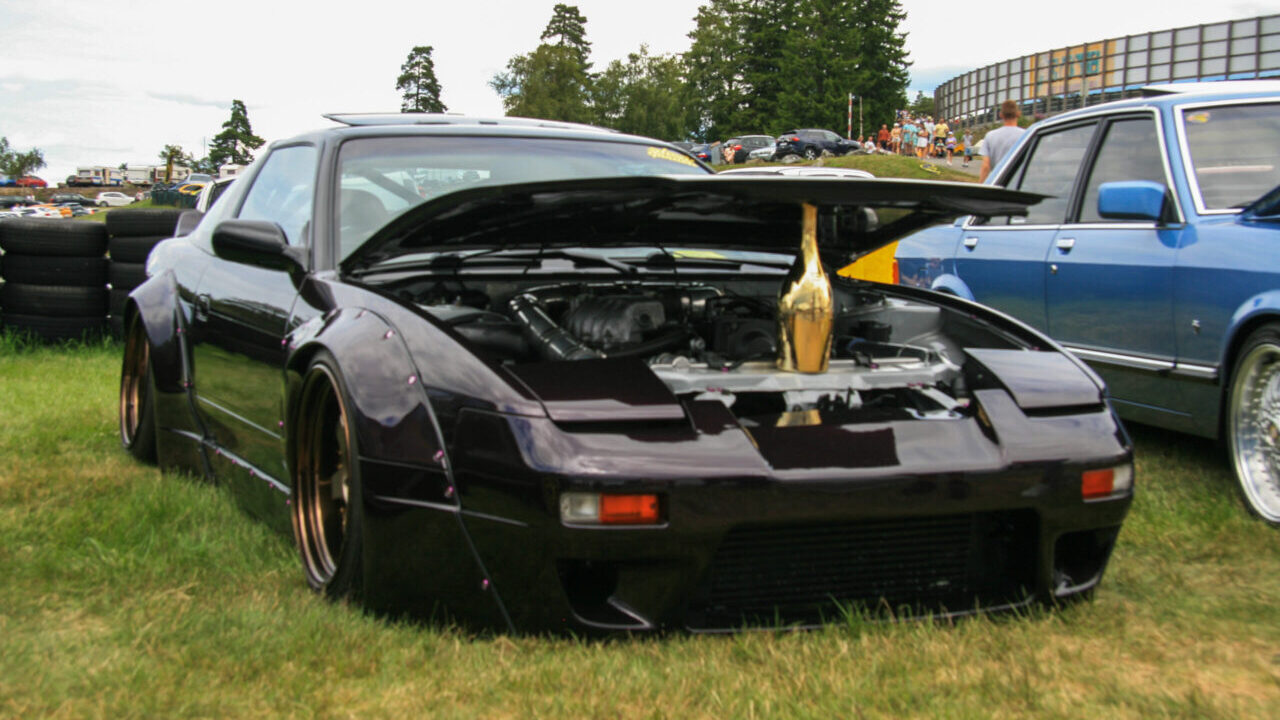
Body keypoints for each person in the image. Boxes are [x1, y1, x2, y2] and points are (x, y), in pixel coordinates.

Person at [980, 100, 1027, 182]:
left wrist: (980, 187)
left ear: (1001, 115)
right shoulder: (1026, 135)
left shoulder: (990, 136)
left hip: (998, 181)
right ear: (1018, 114)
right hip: (1019, 182)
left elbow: (986, 166)